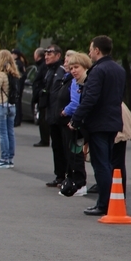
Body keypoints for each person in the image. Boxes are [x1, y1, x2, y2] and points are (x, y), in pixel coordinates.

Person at [70, 35, 126, 216]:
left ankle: (104, 204)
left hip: (99, 123)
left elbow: (89, 99)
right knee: (109, 162)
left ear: (97, 50)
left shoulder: (98, 70)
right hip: (113, 122)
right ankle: (112, 200)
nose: (89, 52)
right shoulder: (119, 70)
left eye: (90, 49)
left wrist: (76, 119)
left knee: (100, 164)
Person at [58, 51, 91, 196]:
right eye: (71, 68)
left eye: (76, 67)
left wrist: (65, 111)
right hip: (75, 121)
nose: (73, 71)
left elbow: (77, 102)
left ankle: (80, 183)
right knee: (71, 152)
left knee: (77, 153)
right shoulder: (74, 81)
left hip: (79, 122)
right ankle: (73, 180)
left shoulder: (84, 83)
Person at [40, 45, 67, 188]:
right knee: (56, 146)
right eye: (45, 54)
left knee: (64, 147)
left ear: (58, 55)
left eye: (49, 54)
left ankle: (67, 175)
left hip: (61, 115)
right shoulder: (49, 71)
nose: (46, 56)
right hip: (51, 114)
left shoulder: (62, 70)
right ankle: (59, 175)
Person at [32, 47, 50, 146]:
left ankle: (45, 139)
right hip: (41, 95)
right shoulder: (42, 66)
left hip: (43, 96)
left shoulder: (43, 67)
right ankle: (44, 138)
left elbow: (41, 81)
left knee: (43, 119)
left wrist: (39, 92)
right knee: (42, 118)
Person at [10, 49, 27, 126]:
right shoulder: (21, 63)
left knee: (17, 102)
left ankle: (16, 120)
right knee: (18, 102)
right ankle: (18, 119)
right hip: (20, 85)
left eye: (13, 54)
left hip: (18, 85)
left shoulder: (17, 63)